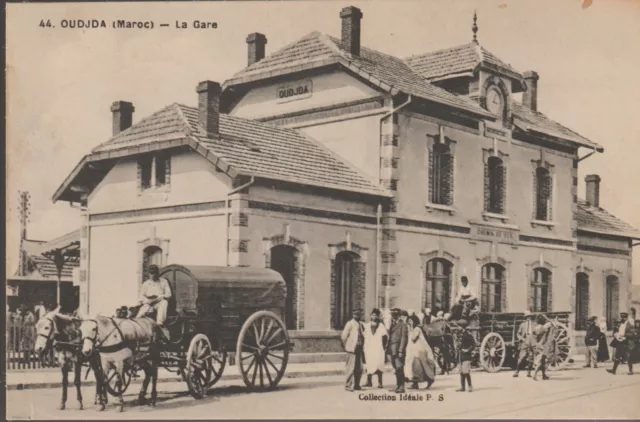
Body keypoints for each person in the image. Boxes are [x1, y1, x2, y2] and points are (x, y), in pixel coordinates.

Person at [405, 314, 436, 390]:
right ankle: (415, 383)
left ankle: (428, 380)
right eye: (408, 321)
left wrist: (411, 329)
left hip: (419, 350)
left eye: (411, 321)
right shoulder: (414, 329)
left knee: (419, 366)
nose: (409, 322)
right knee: (416, 367)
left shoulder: (416, 329)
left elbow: (413, 338)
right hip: (414, 350)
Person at [363, 308, 388, 388]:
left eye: (376, 315)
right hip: (369, 348)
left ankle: (380, 383)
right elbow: (364, 337)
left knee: (379, 365)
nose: (374, 317)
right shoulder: (367, 325)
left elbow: (385, 337)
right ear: (370, 316)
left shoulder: (381, 326)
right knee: (369, 364)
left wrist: (383, 348)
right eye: (373, 315)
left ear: (378, 316)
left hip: (378, 348)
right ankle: (369, 381)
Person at [341, 308, 365, 392]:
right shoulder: (350, 324)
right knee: (350, 368)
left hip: (359, 348)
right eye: (356, 314)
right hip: (352, 349)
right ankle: (348, 385)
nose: (357, 316)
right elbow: (343, 336)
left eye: (359, 314)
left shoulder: (361, 324)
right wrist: (347, 346)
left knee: (359, 368)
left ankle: (357, 385)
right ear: (353, 315)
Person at [386, 308, 408, 393]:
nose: (393, 317)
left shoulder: (403, 325)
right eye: (392, 315)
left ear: (399, 316)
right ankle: (398, 385)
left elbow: (403, 339)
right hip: (392, 350)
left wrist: (401, 351)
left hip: (398, 350)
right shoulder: (391, 324)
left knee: (399, 368)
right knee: (396, 368)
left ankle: (401, 386)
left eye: (395, 316)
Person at [513, 310, 536, 377]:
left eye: (529, 317)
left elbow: (538, 332)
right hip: (525, 341)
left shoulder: (534, 324)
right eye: (527, 317)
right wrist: (521, 338)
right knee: (521, 357)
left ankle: (529, 373)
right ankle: (517, 372)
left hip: (532, 341)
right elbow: (518, 334)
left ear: (531, 317)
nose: (528, 318)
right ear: (525, 318)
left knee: (531, 357)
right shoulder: (522, 325)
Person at [455, 319, 476, 392]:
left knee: (466, 372)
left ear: (462, 327)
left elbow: (473, 344)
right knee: (461, 372)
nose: (457, 328)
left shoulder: (468, 335)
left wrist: (468, 350)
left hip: (467, 355)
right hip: (460, 355)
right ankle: (462, 387)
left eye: (459, 326)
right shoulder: (459, 334)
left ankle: (470, 386)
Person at [532, 315, 554, 381]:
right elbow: (551, 324)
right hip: (542, 345)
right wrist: (548, 319)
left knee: (542, 361)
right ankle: (534, 375)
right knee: (541, 361)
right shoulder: (543, 327)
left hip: (538, 345)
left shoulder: (536, 327)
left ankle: (543, 375)